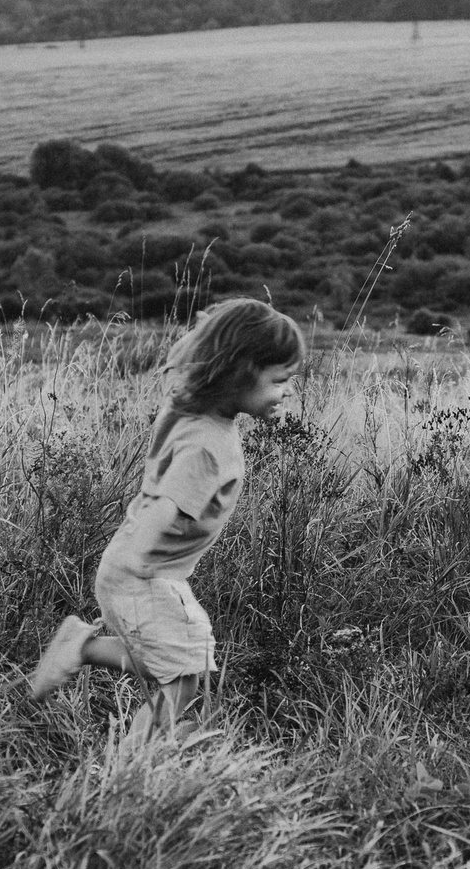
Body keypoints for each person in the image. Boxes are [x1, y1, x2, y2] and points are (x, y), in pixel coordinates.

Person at [28, 298, 305, 735]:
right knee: (180, 678)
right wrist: (142, 560)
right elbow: (168, 504)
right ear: (241, 372)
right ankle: (140, 765)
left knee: (181, 661)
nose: (287, 391)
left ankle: (82, 646)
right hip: (145, 571)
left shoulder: (193, 414)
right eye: (280, 380)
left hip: (135, 566)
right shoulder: (208, 447)